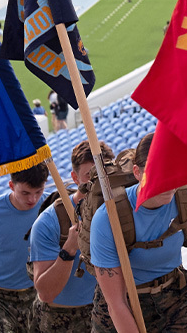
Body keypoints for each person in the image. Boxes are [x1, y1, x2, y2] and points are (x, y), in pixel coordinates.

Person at [91, 134, 187, 332]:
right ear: (137, 172)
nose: (168, 183)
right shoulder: (107, 219)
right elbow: (116, 303)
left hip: (174, 296)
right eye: (158, 175)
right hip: (126, 301)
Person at [30, 141, 108, 332]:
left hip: (105, 312)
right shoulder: (50, 222)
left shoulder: (119, 210)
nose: (97, 182)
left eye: (104, 174)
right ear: (75, 178)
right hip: (60, 318)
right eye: (89, 176)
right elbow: (46, 293)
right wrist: (70, 248)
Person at [0, 163, 49, 333]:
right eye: (25, 193)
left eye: (38, 192)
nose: (33, 200)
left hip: (35, 295)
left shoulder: (50, 208)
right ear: (12, 186)